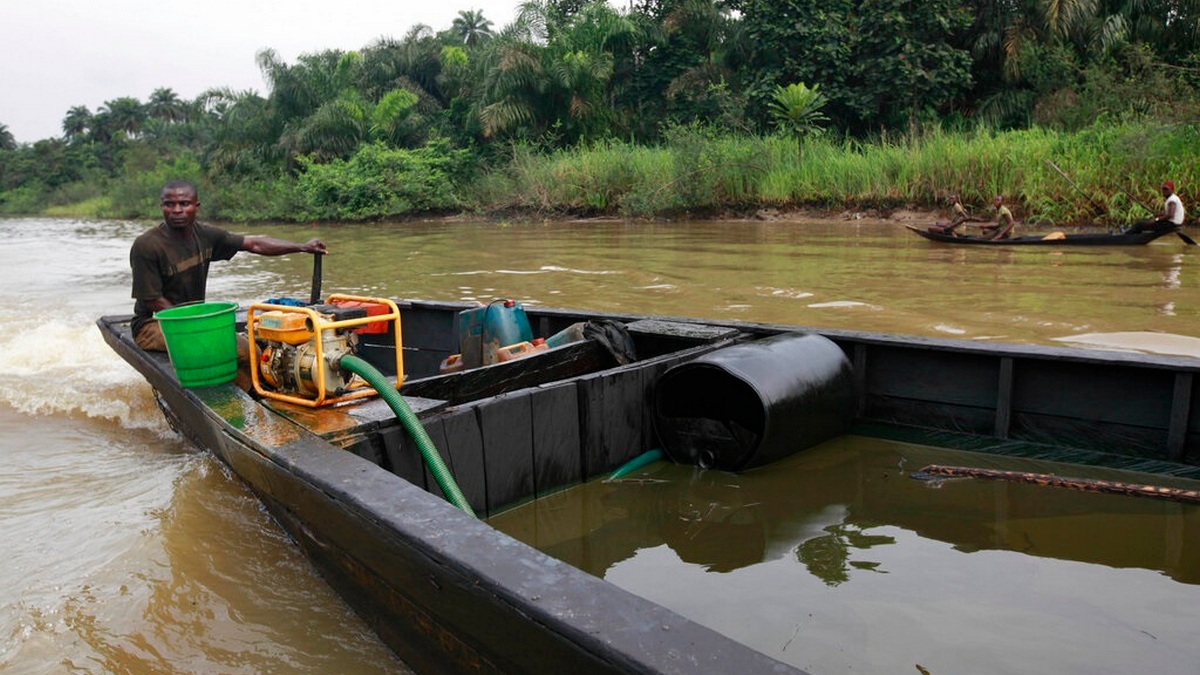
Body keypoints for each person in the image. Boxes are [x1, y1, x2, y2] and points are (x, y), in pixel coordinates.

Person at [130, 180, 328, 353]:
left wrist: (302, 247)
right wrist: (195, 324)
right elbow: (153, 301)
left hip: (194, 318)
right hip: (153, 324)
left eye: (184, 204)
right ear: (162, 207)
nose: (177, 210)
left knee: (250, 352)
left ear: (196, 206)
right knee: (209, 346)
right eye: (169, 204)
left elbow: (254, 244)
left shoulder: (205, 235)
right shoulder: (147, 245)